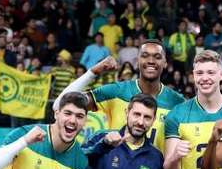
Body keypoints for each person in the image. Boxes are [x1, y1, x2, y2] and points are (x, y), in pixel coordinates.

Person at [55, 40, 185, 154]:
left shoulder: (177, 102)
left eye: (157, 57)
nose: (151, 61)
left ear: (165, 63)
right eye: (145, 56)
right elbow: (60, 104)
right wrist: (93, 72)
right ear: (138, 61)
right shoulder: (116, 91)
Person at [83, 93, 168, 169]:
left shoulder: (155, 157)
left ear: (153, 120)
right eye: (137, 114)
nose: (140, 122)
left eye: (147, 117)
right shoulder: (102, 137)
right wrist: (104, 145)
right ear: (127, 113)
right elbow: (78, 161)